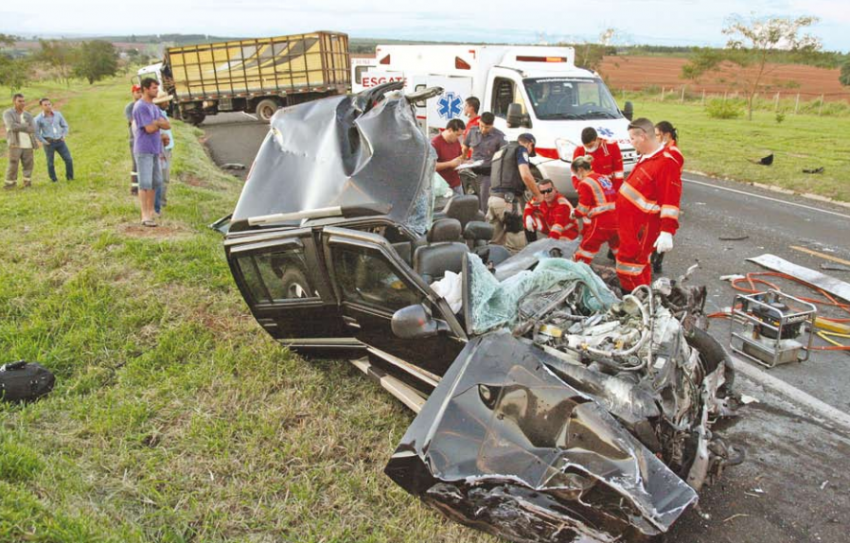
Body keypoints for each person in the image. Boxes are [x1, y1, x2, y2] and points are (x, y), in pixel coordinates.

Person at [615, 118, 681, 292]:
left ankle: (633, 303)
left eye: (632, 139)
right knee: (640, 266)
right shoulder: (647, 157)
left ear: (642, 136)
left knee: (628, 268)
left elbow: (671, 200)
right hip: (632, 225)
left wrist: (667, 231)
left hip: (641, 228)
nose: (631, 143)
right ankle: (644, 300)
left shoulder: (666, 163)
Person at [487, 133, 544, 253]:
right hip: (508, 202)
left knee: (494, 245)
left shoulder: (500, 151)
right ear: (530, 144)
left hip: (492, 200)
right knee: (517, 248)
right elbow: (525, 175)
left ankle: (492, 269)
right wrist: (538, 195)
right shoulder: (521, 149)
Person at [133, 78, 170, 226]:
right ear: (146, 89)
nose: (157, 90)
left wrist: (156, 123)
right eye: (154, 88)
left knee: (156, 182)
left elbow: (167, 125)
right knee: (145, 183)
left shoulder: (153, 107)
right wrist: (156, 123)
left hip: (155, 149)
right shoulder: (141, 107)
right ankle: (145, 214)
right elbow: (149, 129)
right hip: (144, 149)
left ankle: (152, 211)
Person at [571, 156, 619, 264]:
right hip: (617, 218)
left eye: (575, 174)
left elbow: (582, 209)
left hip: (602, 221)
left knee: (586, 248)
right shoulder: (603, 177)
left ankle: (578, 270)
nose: (576, 177)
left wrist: (574, 213)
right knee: (617, 247)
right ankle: (626, 272)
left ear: (580, 170)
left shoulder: (584, 183)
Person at [650, 121, 684, 274]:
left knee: (659, 231)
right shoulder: (665, 150)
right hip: (656, 196)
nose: (655, 138)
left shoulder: (672, 154)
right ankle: (654, 260)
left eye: (657, 135)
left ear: (667, 135)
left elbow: (670, 184)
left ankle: (656, 262)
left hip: (662, 197)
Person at [462, 112, 506, 212]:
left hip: (488, 172)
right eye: (481, 126)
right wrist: (463, 159)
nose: (483, 129)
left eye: (487, 127)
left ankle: (483, 219)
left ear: (492, 125)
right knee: (467, 196)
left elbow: (502, 156)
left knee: (483, 197)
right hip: (471, 170)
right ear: (479, 122)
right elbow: (465, 147)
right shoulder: (472, 131)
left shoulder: (499, 136)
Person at [3, 93, 39, 190]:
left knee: (28, 164)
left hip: (28, 143)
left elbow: (33, 129)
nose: (22, 103)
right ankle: (9, 185)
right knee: (13, 164)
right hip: (15, 143)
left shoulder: (28, 115)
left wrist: (19, 126)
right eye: (20, 101)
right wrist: (25, 126)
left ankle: (27, 183)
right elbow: (11, 126)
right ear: (14, 101)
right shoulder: (8, 113)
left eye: (23, 101)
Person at [571, 127, 624, 192]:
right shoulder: (579, 150)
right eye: (586, 146)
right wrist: (579, 189)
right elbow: (574, 173)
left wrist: (615, 191)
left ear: (596, 139)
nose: (589, 148)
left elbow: (618, 172)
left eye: (591, 145)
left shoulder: (612, 147)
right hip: (588, 190)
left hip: (608, 189)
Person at [34, 98, 74, 183]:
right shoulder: (38, 119)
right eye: (45, 105)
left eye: (49, 104)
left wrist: (63, 135)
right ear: (41, 106)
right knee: (50, 162)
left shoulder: (58, 114)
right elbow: (36, 132)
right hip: (49, 143)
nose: (48, 106)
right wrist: (44, 141)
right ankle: (54, 179)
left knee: (68, 159)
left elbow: (65, 126)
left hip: (60, 141)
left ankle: (70, 177)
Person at [431, 118, 466, 197]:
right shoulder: (435, 143)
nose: (458, 138)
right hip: (442, 187)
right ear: (450, 130)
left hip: (456, 183)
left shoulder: (456, 142)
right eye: (457, 135)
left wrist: (464, 162)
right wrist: (450, 164)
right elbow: (431, 165)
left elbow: (459, 157)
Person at [153, 91, 174, 215]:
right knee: (162, 177)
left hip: (166, 148)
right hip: (162, 149)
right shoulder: (157, 114)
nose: (168, 103)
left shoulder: (162, 113)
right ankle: (159, 204)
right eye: (166, 101)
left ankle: (160, 202)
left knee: (164, 177)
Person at [125, 84, 143, 195]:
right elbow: (133, 121)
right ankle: (134, 188)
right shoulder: (130, 107)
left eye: (141, 91)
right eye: (137, 92)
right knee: (136, 163)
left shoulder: (145, 105)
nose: (140, 94)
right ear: (133, 93)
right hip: (135, 139)